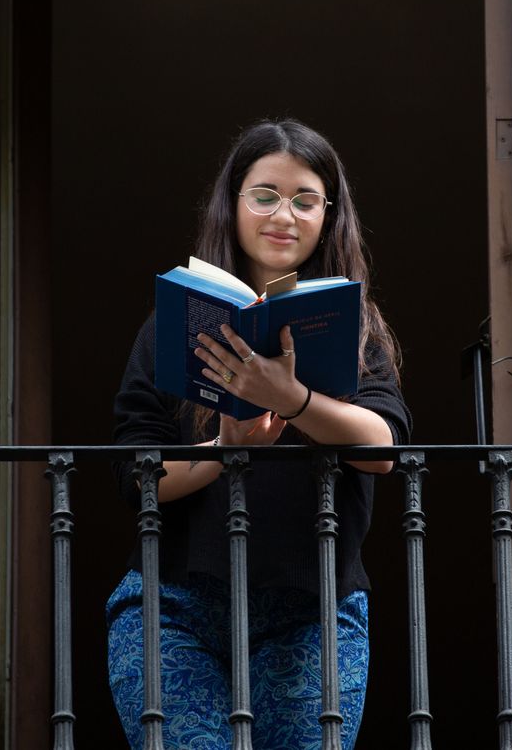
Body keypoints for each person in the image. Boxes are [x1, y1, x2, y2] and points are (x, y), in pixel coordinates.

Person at [107, 119, 411, 750]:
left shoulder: (360, 329)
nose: (285, 215)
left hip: (313, 614)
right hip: (175, 605)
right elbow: (139, 475)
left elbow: (382, 448)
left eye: (306, 200)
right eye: (265, 195)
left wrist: (291, 400)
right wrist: (228, 450)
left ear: (329, 214)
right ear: (233, 202)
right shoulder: (172, 323)